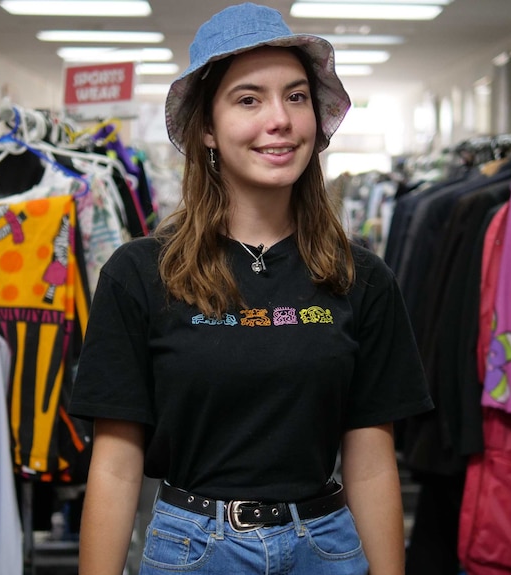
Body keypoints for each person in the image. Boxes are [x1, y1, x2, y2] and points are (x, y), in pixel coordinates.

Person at [69, 3, 433, 574]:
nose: (280, 120)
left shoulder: (361, 277)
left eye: (295, 96)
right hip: (191, 549)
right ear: (208, 129)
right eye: (248, 99)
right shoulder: (138, 274)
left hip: (327, 547)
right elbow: (116, 466)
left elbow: (370, 462)